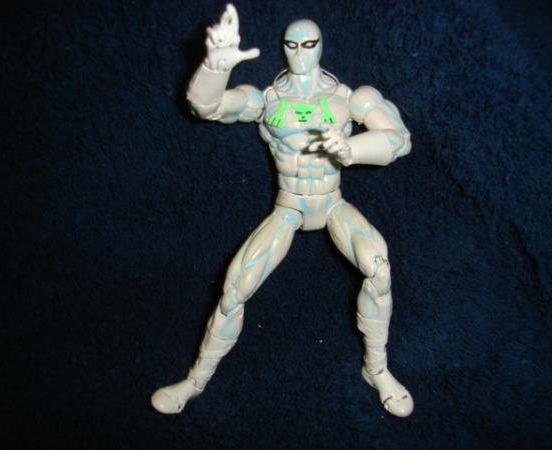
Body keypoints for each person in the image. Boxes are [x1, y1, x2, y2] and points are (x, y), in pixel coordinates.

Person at [151, 3, 414, 417]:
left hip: (331, 202)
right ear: (283, 47)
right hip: (289, 204)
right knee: (236, 288)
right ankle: (195, 381)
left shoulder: (349, 98)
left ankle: (377, 369)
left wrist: (352, 149)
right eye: (292, 45)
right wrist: (215, 67)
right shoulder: (267, 100)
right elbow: (207, 107)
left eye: (309, 44)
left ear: (321, 46)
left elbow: (399, 140)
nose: (301, 52)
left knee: (378, 267)